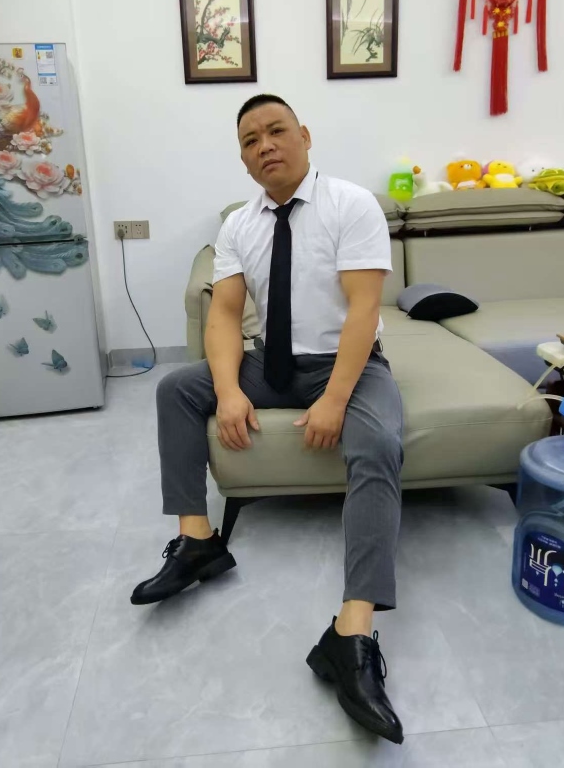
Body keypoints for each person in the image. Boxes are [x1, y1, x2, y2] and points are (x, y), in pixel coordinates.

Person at [131, 94, 404, 745]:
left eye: (276, 131)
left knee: (378, 442)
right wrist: (228, 390)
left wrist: (334, 399)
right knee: (177, 390)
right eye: (250, 140)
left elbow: (364, 310)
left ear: (304, 136)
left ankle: (352, 633)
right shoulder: (239, 226)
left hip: (349, 362)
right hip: (272, 362)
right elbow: (226, 313)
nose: (265, 146)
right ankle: (198, 541)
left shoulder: (351, 204)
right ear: (244, 159)